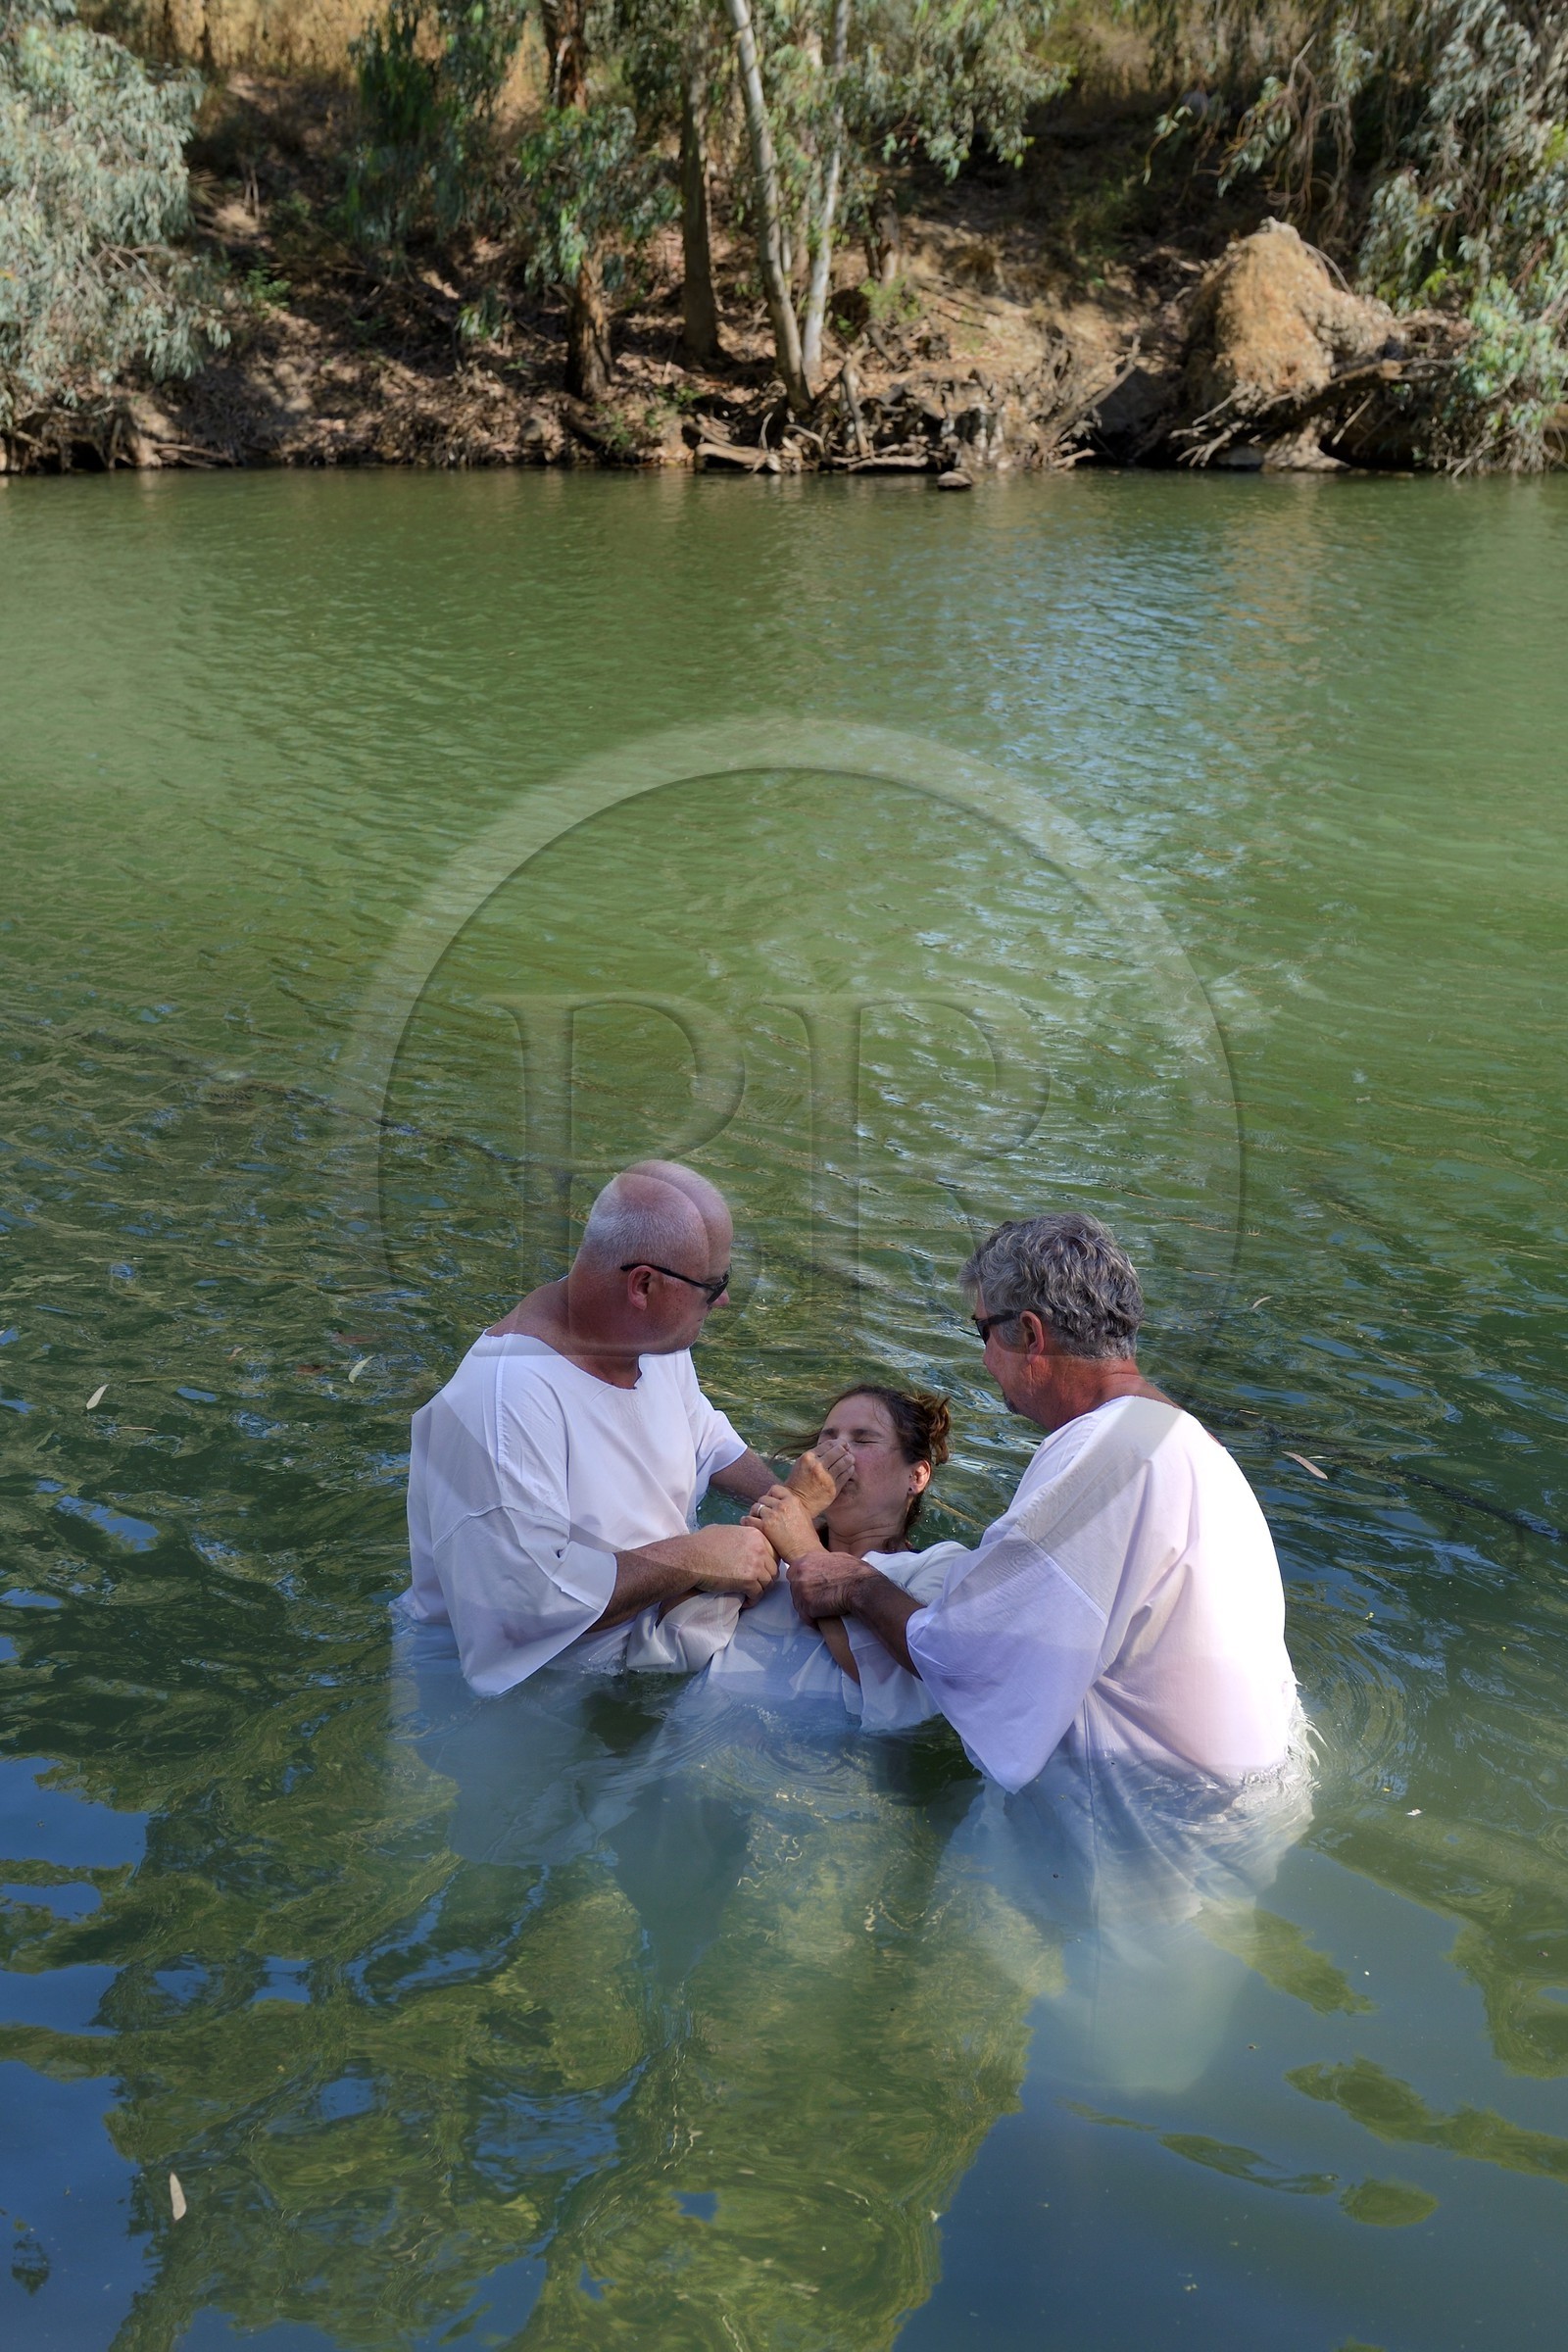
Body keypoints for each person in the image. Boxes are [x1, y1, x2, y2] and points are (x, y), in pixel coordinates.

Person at [786, 1212, 1300, 1788]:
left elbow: (972, 1655)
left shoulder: (1101, 1453)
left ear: (1029, 1334)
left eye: (982, 1331)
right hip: (1247, 1794)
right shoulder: (1191, 1440)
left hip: (1151, 1817)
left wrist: (854, 1585)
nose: (983, 1360)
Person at [404, 1159, 849, 1694]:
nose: (725, 1300)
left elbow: (702, 1437)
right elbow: (517, 1609)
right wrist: (697, 1557)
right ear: (644, 1285)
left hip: (645, 1649)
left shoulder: (647, 1340)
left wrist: (799, 1512)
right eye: (715, 1285)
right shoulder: (503, 1405)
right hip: (525, 1707)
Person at [698, 1384, 963, 1721]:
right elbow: (676, 1643)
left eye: (863, 1440)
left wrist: (802, 1548)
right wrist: (774, 1529)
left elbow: (909, 1685)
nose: (836, 1451)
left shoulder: (941, 1566)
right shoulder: (766, 1555)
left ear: (917, 1475)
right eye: (827, 1439)